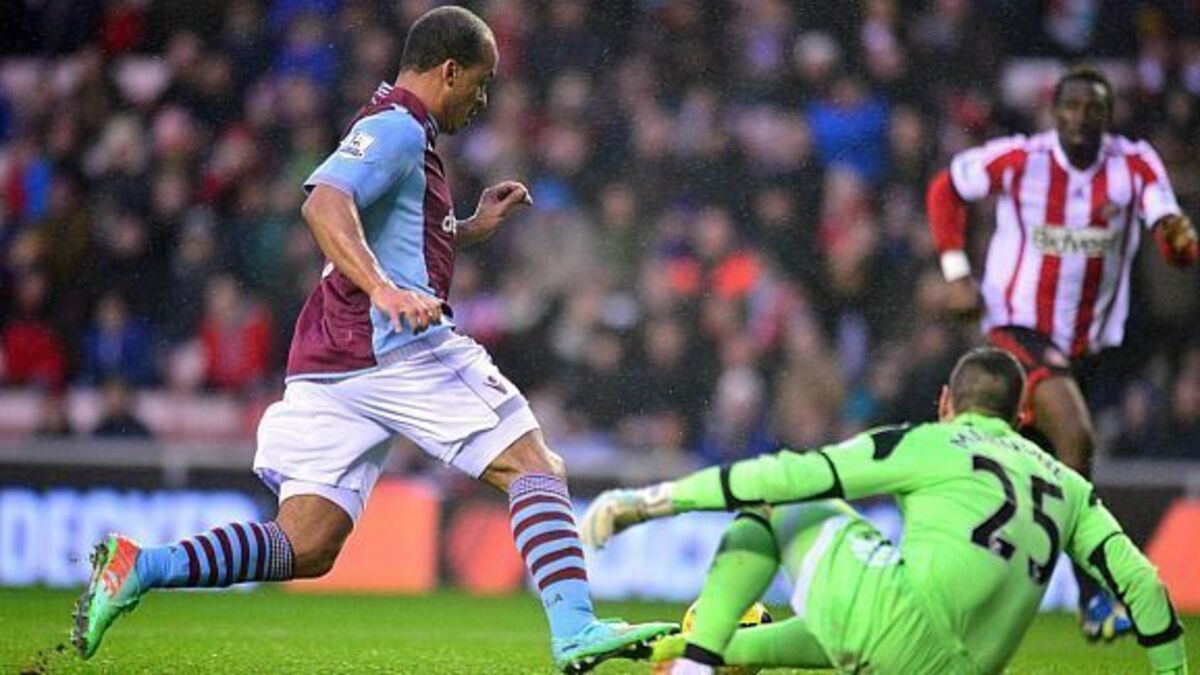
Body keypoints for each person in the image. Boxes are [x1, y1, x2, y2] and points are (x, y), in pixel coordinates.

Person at [71, 7, 673, 673]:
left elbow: (394, 233)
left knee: (306, 542)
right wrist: (385, 290)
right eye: (481, 83)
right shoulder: (394, 128)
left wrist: (467, 227)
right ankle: (575, 628)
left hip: (331, 360)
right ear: (449, 71)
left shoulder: (400, 131)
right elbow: (323, 203)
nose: (482, 100)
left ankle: (142, 566)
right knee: (534, 465)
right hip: (395, 345)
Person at [581, 348, 1188, 675]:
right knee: (785, 639)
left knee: (775, 500)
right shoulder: (1068, 486)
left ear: (946, 402)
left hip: (896, 627)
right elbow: (1145, 587)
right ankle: (664, 652)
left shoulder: (931, 441)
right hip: (950, 667)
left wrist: (650, 502)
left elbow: (788, 475)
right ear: (1022, 418)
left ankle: (694, 667)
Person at [924, 66, 1197, 637]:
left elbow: (1167, 224)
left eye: (1092, 108)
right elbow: (946, 188)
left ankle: (948, 579)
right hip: (1017, 330)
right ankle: (1092, 596)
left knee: (1023, 469)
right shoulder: (1022, 160)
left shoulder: (1132, 164)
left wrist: (1177, 241)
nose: (1080, 118)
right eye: (1070, 107)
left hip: (1088, 347)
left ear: (1108, 115)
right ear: (1054, 113)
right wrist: (955, 272)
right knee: (1075, 439)